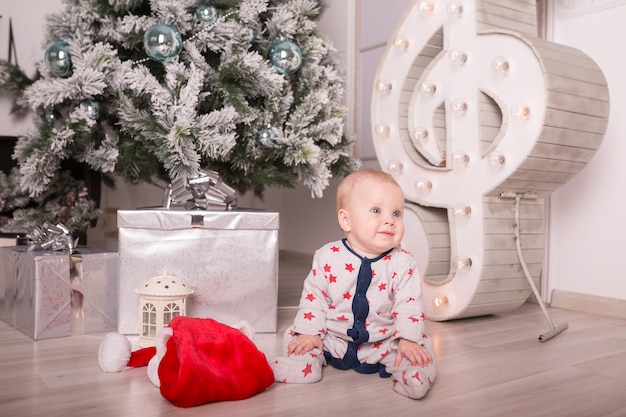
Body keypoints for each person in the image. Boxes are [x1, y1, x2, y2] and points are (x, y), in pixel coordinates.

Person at [270, 168, 436, 399]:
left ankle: (414, 375)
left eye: (397, 213)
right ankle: (303, 365)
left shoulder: (403, 262)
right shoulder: (328, 256)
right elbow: (314, 297)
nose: (390, 220)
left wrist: (407, 340)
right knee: (297, 336)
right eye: (377, 211)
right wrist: (310, 334)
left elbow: (409, 306)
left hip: (383, 341)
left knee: (421, 347)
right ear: (346, 220)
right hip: (331, 337)